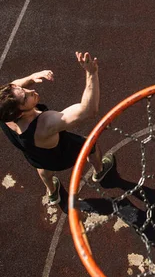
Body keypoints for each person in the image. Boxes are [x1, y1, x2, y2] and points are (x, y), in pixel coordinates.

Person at [0, 52, 114, 205]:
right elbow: (89, 110)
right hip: (61, 153)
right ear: (19, 113)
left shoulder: (5, 111)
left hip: (33, 153)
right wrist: (91, 73)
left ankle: (53, 193)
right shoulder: (44, 124)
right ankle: (100, 171)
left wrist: (32, 77)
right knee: (90, 144)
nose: (30, 91)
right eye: (26, 98)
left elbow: (14, 87)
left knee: (42, 168)